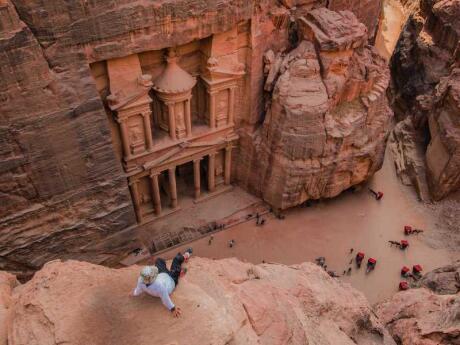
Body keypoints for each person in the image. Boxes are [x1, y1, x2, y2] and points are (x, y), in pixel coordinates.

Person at [132, 248, 192, 317]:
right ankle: (186, 255)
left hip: (162, 275)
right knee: (176, 261)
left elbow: (137, 291)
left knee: (159, 260)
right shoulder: (159, 286)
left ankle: (181, 262)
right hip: (171, 279)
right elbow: (165, 299)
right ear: (152, 277)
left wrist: (134, 294)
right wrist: (173, 309)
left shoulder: (141, 280)